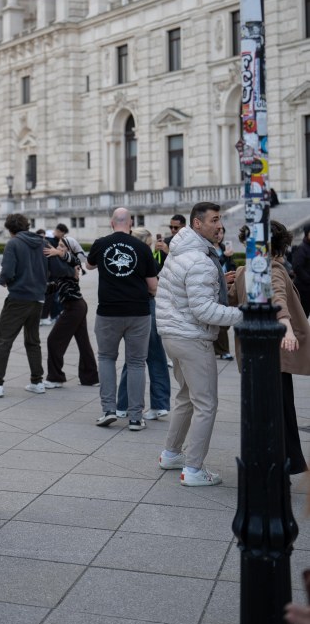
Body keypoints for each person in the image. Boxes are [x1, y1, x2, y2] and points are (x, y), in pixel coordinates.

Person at [155, 202, 243, 486]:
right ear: (197, 223)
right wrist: (244, 315)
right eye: (214, 220)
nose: (220, 226)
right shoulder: (200, 261)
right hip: (192, 338)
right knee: (206, 404)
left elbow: (185, 289)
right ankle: (193, 469)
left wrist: (218, 282)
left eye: (220, 220)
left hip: (173, 335)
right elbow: (204, 310)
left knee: (185, 397)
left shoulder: (181, 251)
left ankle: (171, 454)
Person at [233, 222, 310, 474]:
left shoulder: (244, 271)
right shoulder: (272, 269)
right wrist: (286, 326)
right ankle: (285, 462)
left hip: (254, 350)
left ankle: (275, 461)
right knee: (280, 408)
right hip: (272, 351)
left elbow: (231, 298)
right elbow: (278, 297)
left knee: (267, 408)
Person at [86, 208, 158, 431]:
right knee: (136, 363)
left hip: (108, 311)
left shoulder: (101, 243)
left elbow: (89, 265)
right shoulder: (142, 248)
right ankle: (135, 418)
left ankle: (109, 410)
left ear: (111, 223)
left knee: (106, 358)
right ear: (131, 223)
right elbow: (153, 286)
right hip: (138, 312)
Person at [0, 214, 48, 397]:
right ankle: (37, 381)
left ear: (9, 229)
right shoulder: (42, 243)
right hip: (38, 298)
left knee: (4, 341)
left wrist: (2, 280)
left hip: (18, 298)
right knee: (33, 341)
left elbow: (8, 271)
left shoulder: (14, 244)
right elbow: (50, 267)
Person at [116, 227, 171, 421]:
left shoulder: (126, 257)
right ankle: (159, 403)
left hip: (131, 308)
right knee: (155, 356)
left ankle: (123, 405)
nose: (150, 247)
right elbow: (154, 286)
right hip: (147, 306)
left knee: (133, 358)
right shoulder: (145, 257)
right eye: (148, 244)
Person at [42, 236, 98, 388]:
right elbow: (57, 285)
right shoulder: (63, 266)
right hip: (77, 306)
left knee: (53, 340)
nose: (58, 248)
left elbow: (76, 260)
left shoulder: (73, 263)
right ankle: (91, 378)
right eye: (58, 245)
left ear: (69, 249)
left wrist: (58, 253)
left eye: (62, 246)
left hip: (74, 307)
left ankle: (55, 378)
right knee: (83, 343)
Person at [213, 226, 236, 359]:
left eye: (221, 232)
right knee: (221, 319)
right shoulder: (208, 249)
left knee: (225, 320)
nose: (219, 235)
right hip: (215, 285)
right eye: (217, 232)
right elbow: (213, 267)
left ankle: (220, 349)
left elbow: (231, 265)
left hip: (227, 285)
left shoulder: (223, 248)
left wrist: (229, 258)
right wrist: (224, 257)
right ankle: (223, 351)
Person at [292, 224, 310, 315]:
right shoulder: (302, 248)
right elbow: (297, 267)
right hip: (303, 289)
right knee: (303, 314)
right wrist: (308, 279)